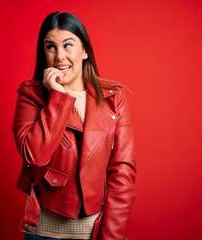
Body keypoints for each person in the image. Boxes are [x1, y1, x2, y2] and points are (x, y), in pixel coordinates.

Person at [13, 11, 136, 240]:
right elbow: (35, 155)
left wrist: (111, 237)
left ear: (85, 51)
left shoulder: (113, 98)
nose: (60, 56)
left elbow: (122, 174)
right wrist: (57, 97)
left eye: (68, 45)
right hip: (44, 234)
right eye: (51, 47)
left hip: (96, 233)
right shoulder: (31, 95)